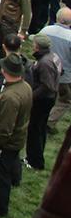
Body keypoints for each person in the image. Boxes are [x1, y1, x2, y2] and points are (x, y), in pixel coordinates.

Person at [0, 53, 32, 218]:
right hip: (17, 139)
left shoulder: (10, 97)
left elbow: (5, 127)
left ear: (5, 70)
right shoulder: (25, 87)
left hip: (5, 143)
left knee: (2, 176)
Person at [27, 34, 61, 170]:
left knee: (34, 130)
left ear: (37, 46)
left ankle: (34, 161)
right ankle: (37, 158)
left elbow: (47, 85)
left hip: (42, 101)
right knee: (40, 129)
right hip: (51, 98)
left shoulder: (44, 63)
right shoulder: (54, 56)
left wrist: (31, 96)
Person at [42, 7, 71, 135]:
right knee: (64, 100)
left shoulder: (46, 30)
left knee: (43, 96)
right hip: (64, 76)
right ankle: (49, 122)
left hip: (44, 71)